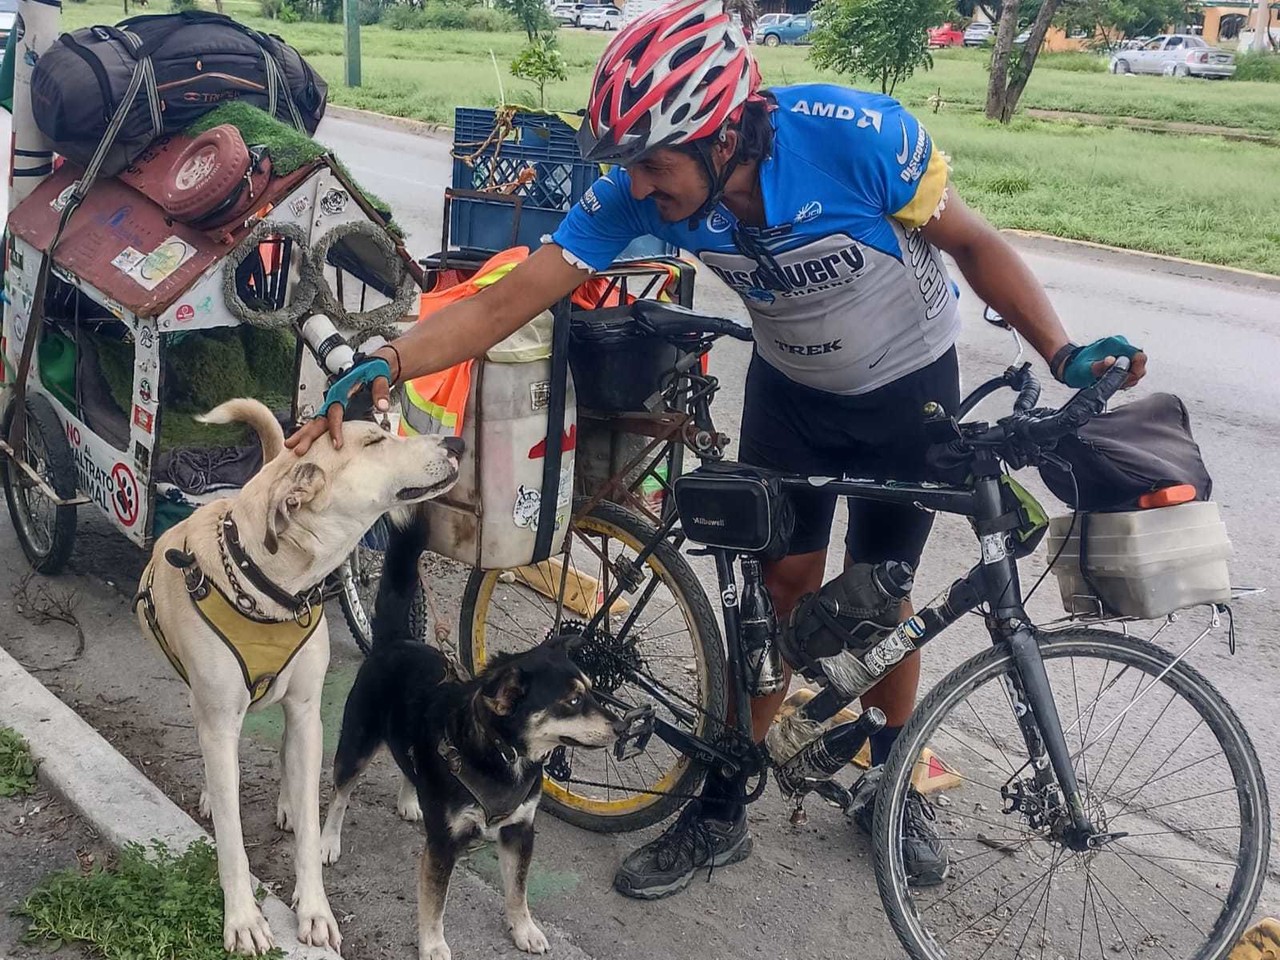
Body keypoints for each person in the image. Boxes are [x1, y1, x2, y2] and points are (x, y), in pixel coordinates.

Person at [288, 0, 1147, 901]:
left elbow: (973, 242)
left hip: (905, 389)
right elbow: (510, 300)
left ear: (726, 131)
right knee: (778, 601)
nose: (642, 187)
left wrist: (1060, 348)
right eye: (632, 166)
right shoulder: (638, 184)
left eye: (657, 164)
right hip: (791, 395)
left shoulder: (856, 138)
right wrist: (388, 358)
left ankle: (893, 786)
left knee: (883, 601)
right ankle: (726, 804)